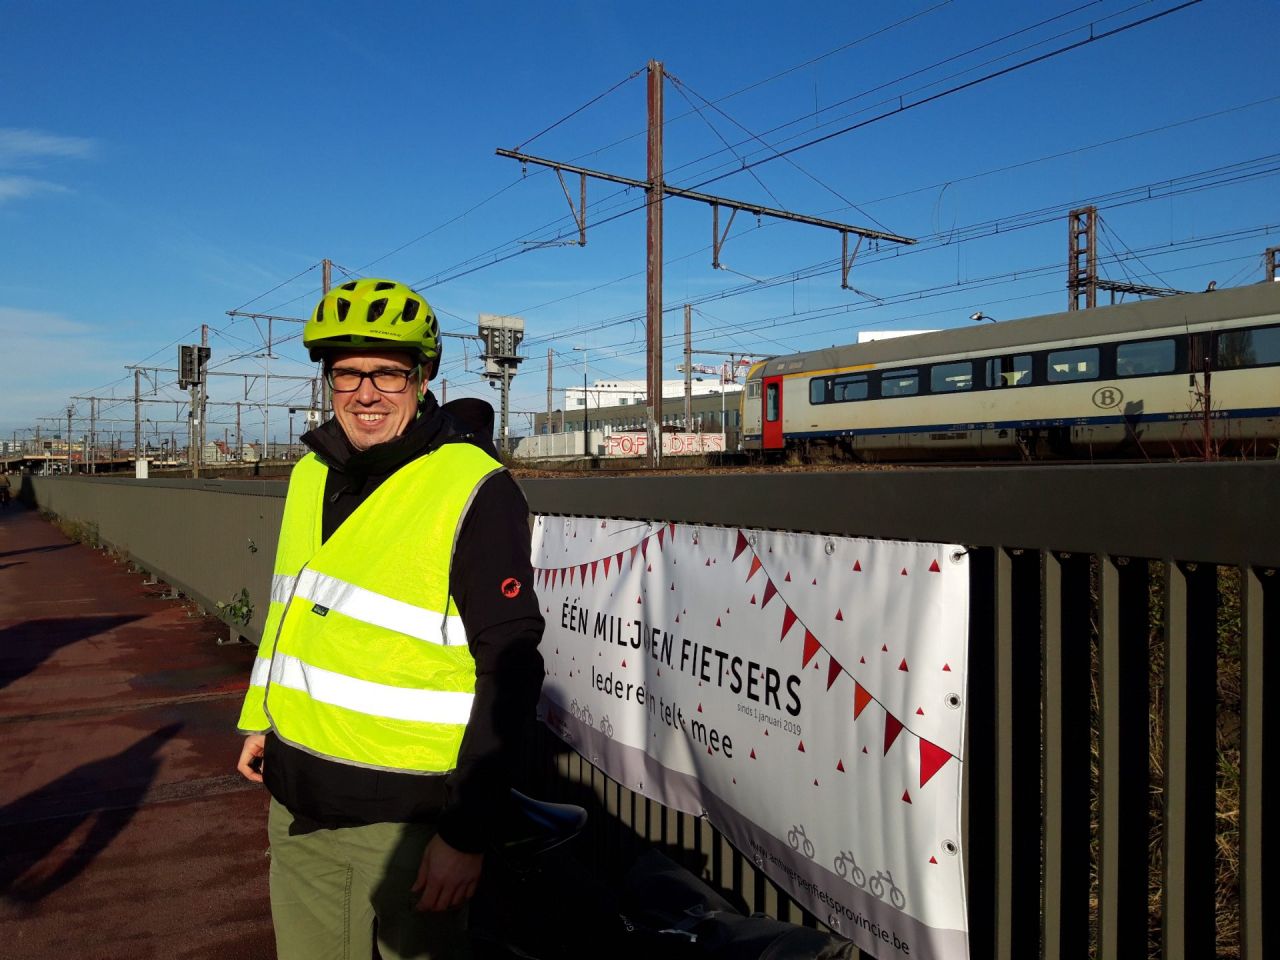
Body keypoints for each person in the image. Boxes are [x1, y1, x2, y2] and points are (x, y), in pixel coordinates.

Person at [235, 278, 545, 960]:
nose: (365, 392)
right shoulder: (312, 473)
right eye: (346, 373)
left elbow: (512, 665)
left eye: (387, 373)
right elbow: (292, 608)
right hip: (297, 793)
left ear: (424, 375)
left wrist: (466, 834)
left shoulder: (473, 487)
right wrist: (262, 716)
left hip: (402, 821)